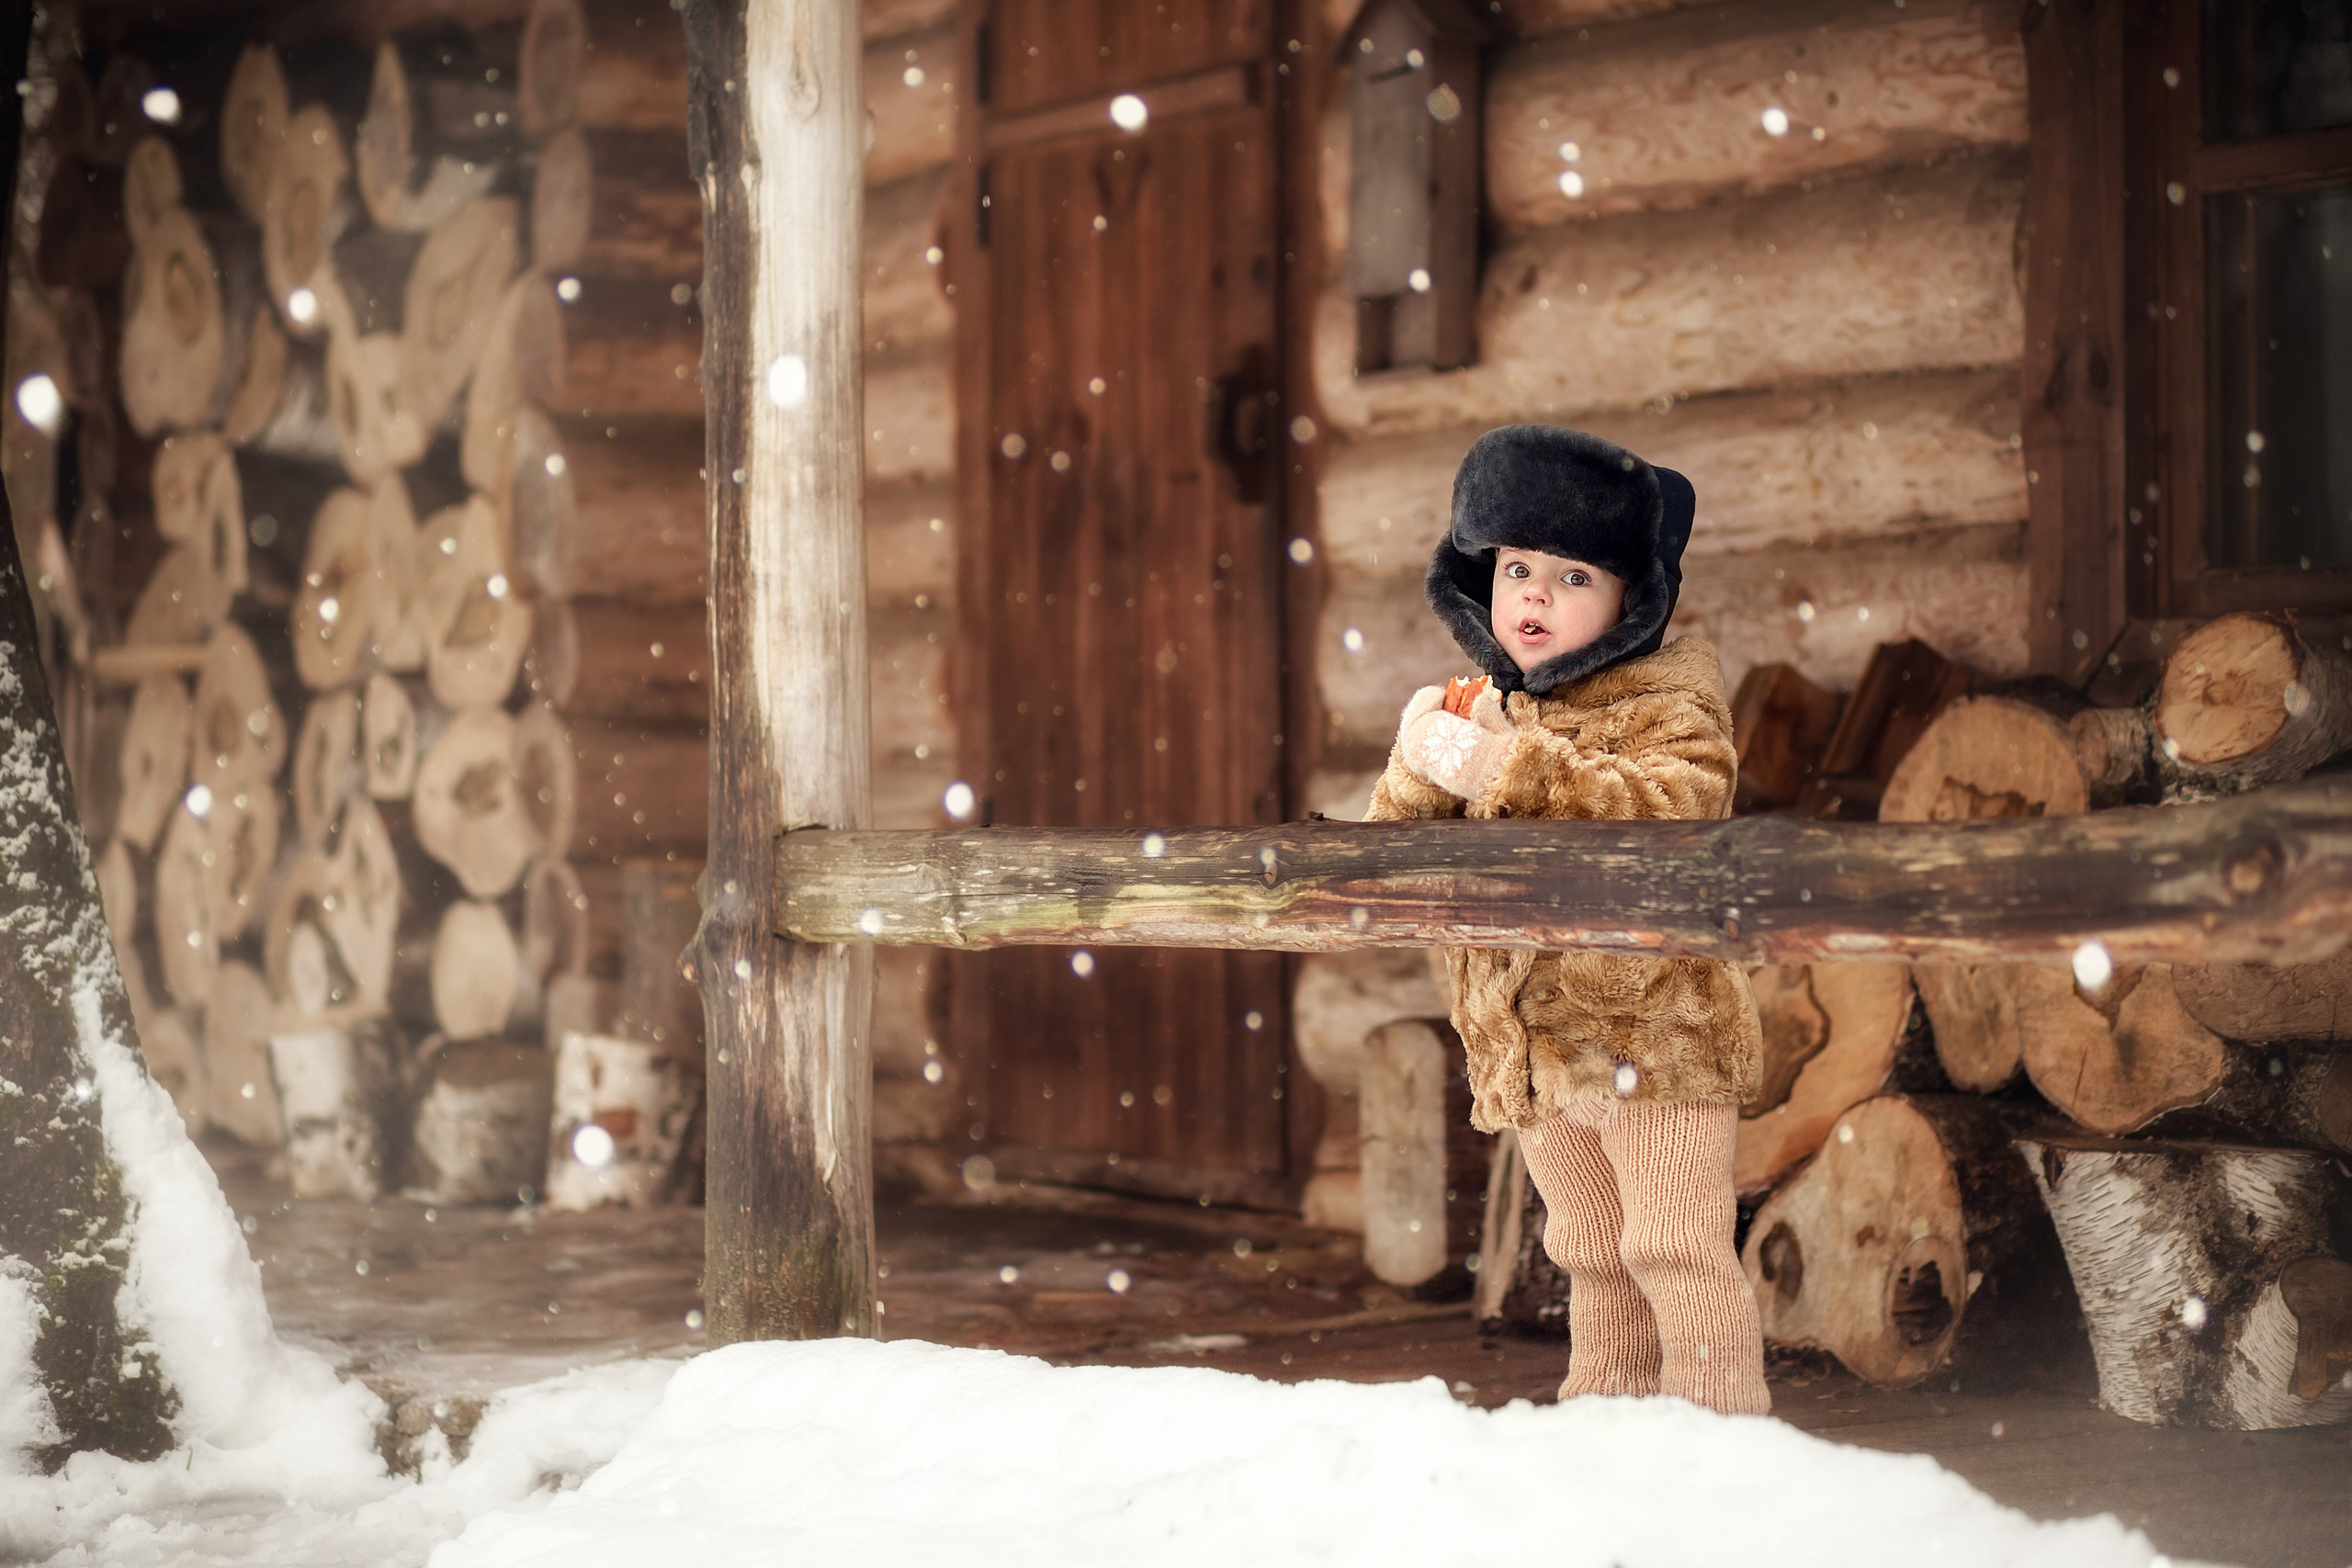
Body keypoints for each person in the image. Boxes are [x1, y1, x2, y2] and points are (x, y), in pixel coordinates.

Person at [1363, 423, 1770, 1416]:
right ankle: (1605, 1423)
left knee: (1673, 1245)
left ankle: (1722, 1439)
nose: (1534, 596)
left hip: (1654, 1039)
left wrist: (1509, 769)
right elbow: (1391, 857)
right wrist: (1423, 766)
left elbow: (1668, 810)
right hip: (1534, 1051)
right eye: (1515, 569)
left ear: (1634, 600)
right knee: (1588, 1253)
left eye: (1573, 576)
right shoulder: (1485, 706)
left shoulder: (1668, 703)